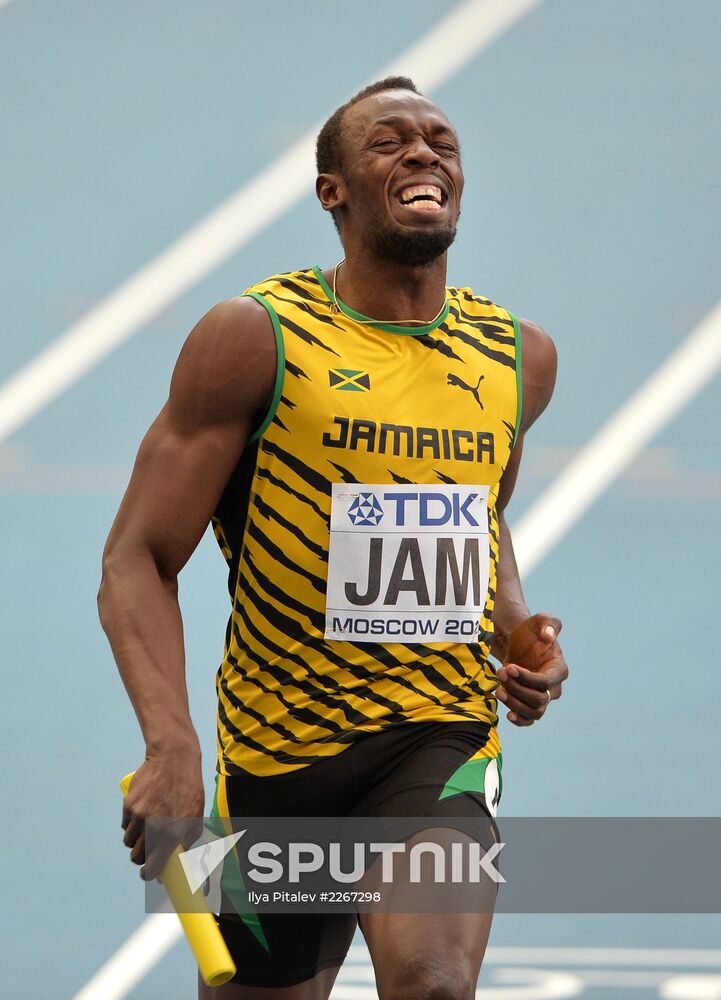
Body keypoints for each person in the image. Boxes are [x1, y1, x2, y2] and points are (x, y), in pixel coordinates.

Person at [99, 76, 568, 1000]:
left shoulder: (516, 357)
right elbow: (137, 558)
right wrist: (171, 748)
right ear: (334, 191)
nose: (425, 152)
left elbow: (480, 519)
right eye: (389, 142)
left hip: (434, 737)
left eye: (441, 141)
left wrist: (517, 632)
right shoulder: (254, 338)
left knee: (433, 983)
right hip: (277, 756)